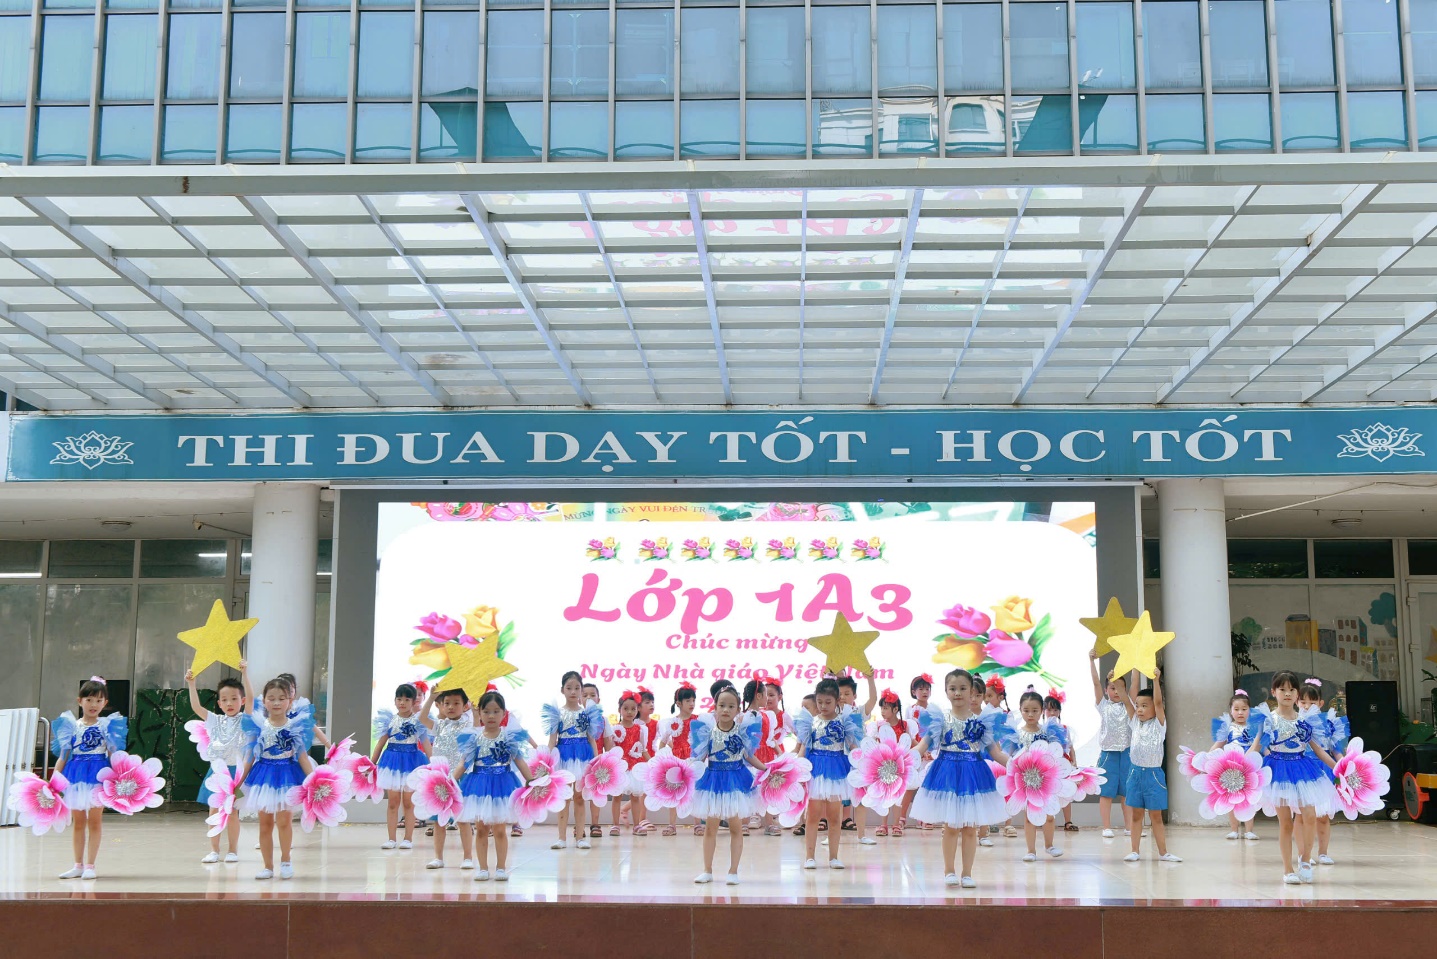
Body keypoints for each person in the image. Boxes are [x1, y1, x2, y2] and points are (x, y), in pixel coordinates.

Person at [910, 669, 1010, 888]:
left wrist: (1016, 764)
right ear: (946, 692)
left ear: (972, 692)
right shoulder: (940, 719)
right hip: (946, 774)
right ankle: (949, 871)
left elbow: (995, 752)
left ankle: (967, 873)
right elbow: (923, 745)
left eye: (963, 688)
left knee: (970, 827)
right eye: (953, 688)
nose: (958, 693)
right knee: (952, 826)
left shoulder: (981, 723)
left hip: (973, 775)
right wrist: (907, 757)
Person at [1250, 670, 1338, 885]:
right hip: (1278, 773)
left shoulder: (1305, 721)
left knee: (1309, 816)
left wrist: (1340, 769)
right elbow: (1255, 747)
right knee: (1285, 823)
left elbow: (1318, 750)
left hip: (1303, 770)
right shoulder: (1267, 719)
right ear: (1274, 692)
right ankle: (1288, 869)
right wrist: (1238, 766)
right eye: (1282, 689)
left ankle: (1305, 860)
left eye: (1291, 689)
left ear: (1297, 693)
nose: (1287, 693)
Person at [236, 678, 316, 880]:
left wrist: (314, 779)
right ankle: (268, 866)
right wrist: (238, 782)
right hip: (263, 777)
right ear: (265, 702)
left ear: (290, 700)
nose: (277, 702)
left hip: (288, 776)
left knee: (284, 822)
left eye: (282, 698)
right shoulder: (258, 725)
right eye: (272, 698)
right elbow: (250, 757)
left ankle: (286, 860)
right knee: (265, 824)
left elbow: (302, 756)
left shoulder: (295, 726)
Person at [455, 690, 537, 881]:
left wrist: (531, 781)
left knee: (500, 829)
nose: (491, 716)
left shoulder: (508, 737)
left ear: (503, 713)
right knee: (481, 829)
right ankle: (483, 868)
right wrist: (451, 780)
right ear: (480, 713)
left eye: (496, 711)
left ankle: (501, 868)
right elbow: (463, 763)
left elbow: (520, 761)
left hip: (503, 786)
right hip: (478, 787)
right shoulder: (474, 737)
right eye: (486, 711)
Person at [52, 677, 128, 880]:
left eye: (98, 700)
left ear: (105, 703)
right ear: (80, 701)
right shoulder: (71, 726)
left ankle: (90, 866)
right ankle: (77, 865)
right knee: (78, 822)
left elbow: (113, 754)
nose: (93, 705)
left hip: (99, 774)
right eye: (89, 700)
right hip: (75, 775)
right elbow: (63, 756)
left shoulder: (107, 726)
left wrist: (118, 777)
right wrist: (53, 781)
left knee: (95, 821)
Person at [691, 687, 766, 884]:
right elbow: (698, 757)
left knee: (736, 827)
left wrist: (766, 769)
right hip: (713, 782)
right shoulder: (708, 731)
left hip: (736, 782)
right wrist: (682, 768)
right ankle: (707, 870)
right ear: (715, 707)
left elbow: (749, 757)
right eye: (721, 705)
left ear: (738, 710)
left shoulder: (742, 732)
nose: (726, 710)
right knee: (710, 828)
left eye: (731, 706)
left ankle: (733, 871)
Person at [186, 661, 254, 863]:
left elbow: (251, 698)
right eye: (225, 699)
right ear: (219, 703)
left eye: (234, 698)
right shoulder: (214, 720)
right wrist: (191, 684)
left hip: (236, 774)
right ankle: (214, 850)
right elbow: (196, 706)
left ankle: (232, 850)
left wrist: (245, 673)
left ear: (241, 701)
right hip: (216, 773)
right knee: (214, 811)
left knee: (232, 812)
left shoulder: (245, 718)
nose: (229, 702)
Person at [794, 678, 863, 870]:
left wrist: (863, 765)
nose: (823, 706)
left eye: (828, 702)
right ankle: (810, 856)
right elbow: (802, 750)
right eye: (820, 702)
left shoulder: (844, 722)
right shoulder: (811, 723)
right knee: (813, 815)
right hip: (815, 770)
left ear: (837, 700)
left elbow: (854, 747)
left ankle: (834, 857)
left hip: (837, 770)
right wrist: (799, 773)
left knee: (835, 816)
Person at [1000, 688, 1068, 862]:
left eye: (1035, 710)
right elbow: (1011, 757)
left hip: (1045, 780)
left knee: (1050, 816)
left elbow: (1055, 754)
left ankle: (1049, 845)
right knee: (1029, 817)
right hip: (1025, 781)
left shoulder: (1048, 732)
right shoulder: (1016, 734)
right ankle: (1031, 850)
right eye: (1026, 710)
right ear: (1020, 710)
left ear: (1042, 710)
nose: (1030, 714)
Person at [1122, 669, 1180, 864]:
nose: (1138, 709)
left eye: (1144, 706)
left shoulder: (1159, 724)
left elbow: (1157, 702)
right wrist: (1128, 675)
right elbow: (1125, 697)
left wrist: (1155, 680)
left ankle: (1163, 853)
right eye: (1137, 706)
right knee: (1136, 814)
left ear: (1154, 710)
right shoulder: (1135, 723)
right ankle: (1134, 850)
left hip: (1154, 775)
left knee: (1156, 816)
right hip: (1135, 773)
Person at [541, 670, 604, 849]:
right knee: (564, 797)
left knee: (579, 797)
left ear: (581, 690)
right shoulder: (557, 713)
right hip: (564, 757)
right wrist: (547, 762)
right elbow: (552, 740)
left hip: (583, 757)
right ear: (562, 690)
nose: (573, 691)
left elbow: (592, 739)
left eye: (577, 688)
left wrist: (596, 761)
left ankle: (580, 837)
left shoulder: (587, 713)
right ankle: (561, 838)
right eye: (569, 688)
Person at [420, 686, 475, 869]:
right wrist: (431, 698)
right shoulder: (440, 725)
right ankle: (438, 857)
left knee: (463, 819)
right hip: (440, 780)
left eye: (456, 703)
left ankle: (467, 857)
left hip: (461, 777)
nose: (451, 707)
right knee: (438, 821)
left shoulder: (468, 725)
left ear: (465, 706)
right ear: (441, 706)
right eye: (447, 703)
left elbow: (478, 724)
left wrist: (475, 704)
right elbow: (421, 718)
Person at [372, 683, 432, 850]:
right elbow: (380, 744)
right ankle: (391, 838)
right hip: (391, 764)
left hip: (412, 763)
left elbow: (426, 744)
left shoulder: (418, 722)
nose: (402, 703)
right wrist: (371, 763)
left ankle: (408, 838)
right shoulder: (389, 720)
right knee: (392, 802)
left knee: (408, 802)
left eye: (407, 699)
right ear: (395, 701)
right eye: (399, 699)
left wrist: (435, 765)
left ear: (414, 702)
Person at [1089, 648, 1136, 839]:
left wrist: (1135, 662)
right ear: (1107, 690)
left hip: (1127, 753)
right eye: (1112, 688)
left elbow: (1135, 683)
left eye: (1120, 688)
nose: (1116, 691)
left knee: (1127, 793)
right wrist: (1091, 661)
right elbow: (1095, 682)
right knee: (1106, 793)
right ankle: (1106, 827)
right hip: (1108, 754)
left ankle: (1129, 827)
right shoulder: (1103, 705)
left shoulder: (1130, 704)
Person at [1299, 679, 1346, 865]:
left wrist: (1343, 764)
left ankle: (1323, 852)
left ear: (1320, 703)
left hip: (1325, 769)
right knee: (1302, 816)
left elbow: (1336, 749)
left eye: (1312, 702)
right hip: (1302, 768)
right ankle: (1304, 854)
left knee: (1323, 815)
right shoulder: (1295, 721)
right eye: (1303, 702)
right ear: (1297, 702)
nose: (1307, 706)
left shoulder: (1329, 722)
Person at [1208, 689, 1261, 842]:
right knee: (1232, 798)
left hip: (1249, 767)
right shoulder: (1227, 727)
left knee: (1249, 799)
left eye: (1244, 709)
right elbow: (1217, 745)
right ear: (1230, 711)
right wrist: (1207, 757)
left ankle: (1249, 830)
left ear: (1249, 710)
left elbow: (1260, 746)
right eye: (1236, 709)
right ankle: (1234, 829)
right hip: (1231, 768)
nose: (1240, 713)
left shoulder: (1254, 728)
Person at [835, 672, 877, 843]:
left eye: (847, 694)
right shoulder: (833, 713)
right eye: (840, 694)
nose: (843, 697)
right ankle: (834, 834)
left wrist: (870, 679)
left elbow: (873, 699)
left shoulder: (859, 712)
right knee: (836, 799)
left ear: (854, 695)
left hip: (857, 761)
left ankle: (861, 835)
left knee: (859, 799)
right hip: (838, 760)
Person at [608, 690, 653, 836]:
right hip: (619, 767)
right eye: (626, 708)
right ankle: (615, 825)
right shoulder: (614, 729)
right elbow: (610, 749)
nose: (629, 712)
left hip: (635, 766)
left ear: (638, 709)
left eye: (633, 709)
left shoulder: (641, 729)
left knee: (635, 796)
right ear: (619, 710)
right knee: (617, 796)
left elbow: (643, 750)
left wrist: (653, 763)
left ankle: (637, 825)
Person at [658, 683, 698, 836]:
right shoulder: (671, 722)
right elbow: (663, 741)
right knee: (674, 792)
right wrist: (662, 759)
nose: (692, 704)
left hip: (693, 760)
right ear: (679, 703)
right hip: (676, 762)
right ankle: (671, 825)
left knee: (694, 791)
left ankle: (697, 824)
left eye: (693, 700)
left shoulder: (698, 720)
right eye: (688, 700)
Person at [903, 674, 934, 831]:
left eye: (927, 688)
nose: (924, 691)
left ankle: (924, 818)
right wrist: (920, 749)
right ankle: (901, 817)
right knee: (911, 785)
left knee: (926, 786)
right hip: (916, 751)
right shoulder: (911, 710)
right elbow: (909, 732)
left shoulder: (935, 710)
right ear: (913, 691)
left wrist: (930, 750)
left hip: (931, 752)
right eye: (920, 689)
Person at [1044, 692, 1078, 832]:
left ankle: (1068, 822)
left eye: (1055, 710)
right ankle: (1046, 819)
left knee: (1066, 792)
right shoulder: (1041, 728)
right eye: (1049, 709)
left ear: (1059, 711)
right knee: (1047, 793)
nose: (1052, 713)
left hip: (1063, 764)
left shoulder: (1064, 729)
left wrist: (1074, 762)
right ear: (1044, 710)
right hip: (1046, 765)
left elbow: (1070, 747)